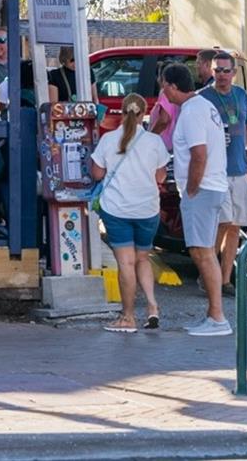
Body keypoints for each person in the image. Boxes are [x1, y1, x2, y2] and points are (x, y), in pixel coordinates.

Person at [89, 93, 171, 333]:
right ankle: (153, 307)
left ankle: (127, 318)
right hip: (147, 210)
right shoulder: (154, 142)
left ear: (122, 113)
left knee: (126, 263)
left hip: (117, 209)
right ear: (143, 114)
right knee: (143, 258)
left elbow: (96, 174)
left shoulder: (107, 140)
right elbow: (161, 176)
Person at [162, 61, 232, 336]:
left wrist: (191, 188)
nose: (163, 93)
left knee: (202, 252)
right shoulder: (203, 106)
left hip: (202, 189)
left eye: (164, 87)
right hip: (212, 186)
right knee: (203, 250)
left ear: (172, 86)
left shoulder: (192, 111)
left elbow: (198, 154)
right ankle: (214, 315)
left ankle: (217, 317)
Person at [206, 51, 247, 292]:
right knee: (222, 222)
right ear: (211, 71)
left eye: (226, 71)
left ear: (234, 73)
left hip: (239, 168)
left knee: (236, 224)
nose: (222, 75)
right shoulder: (203, 97)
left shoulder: (240, 94)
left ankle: (225, 280)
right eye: (217, 70)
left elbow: (246, 124)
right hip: (216, 171)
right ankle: (209, 274)